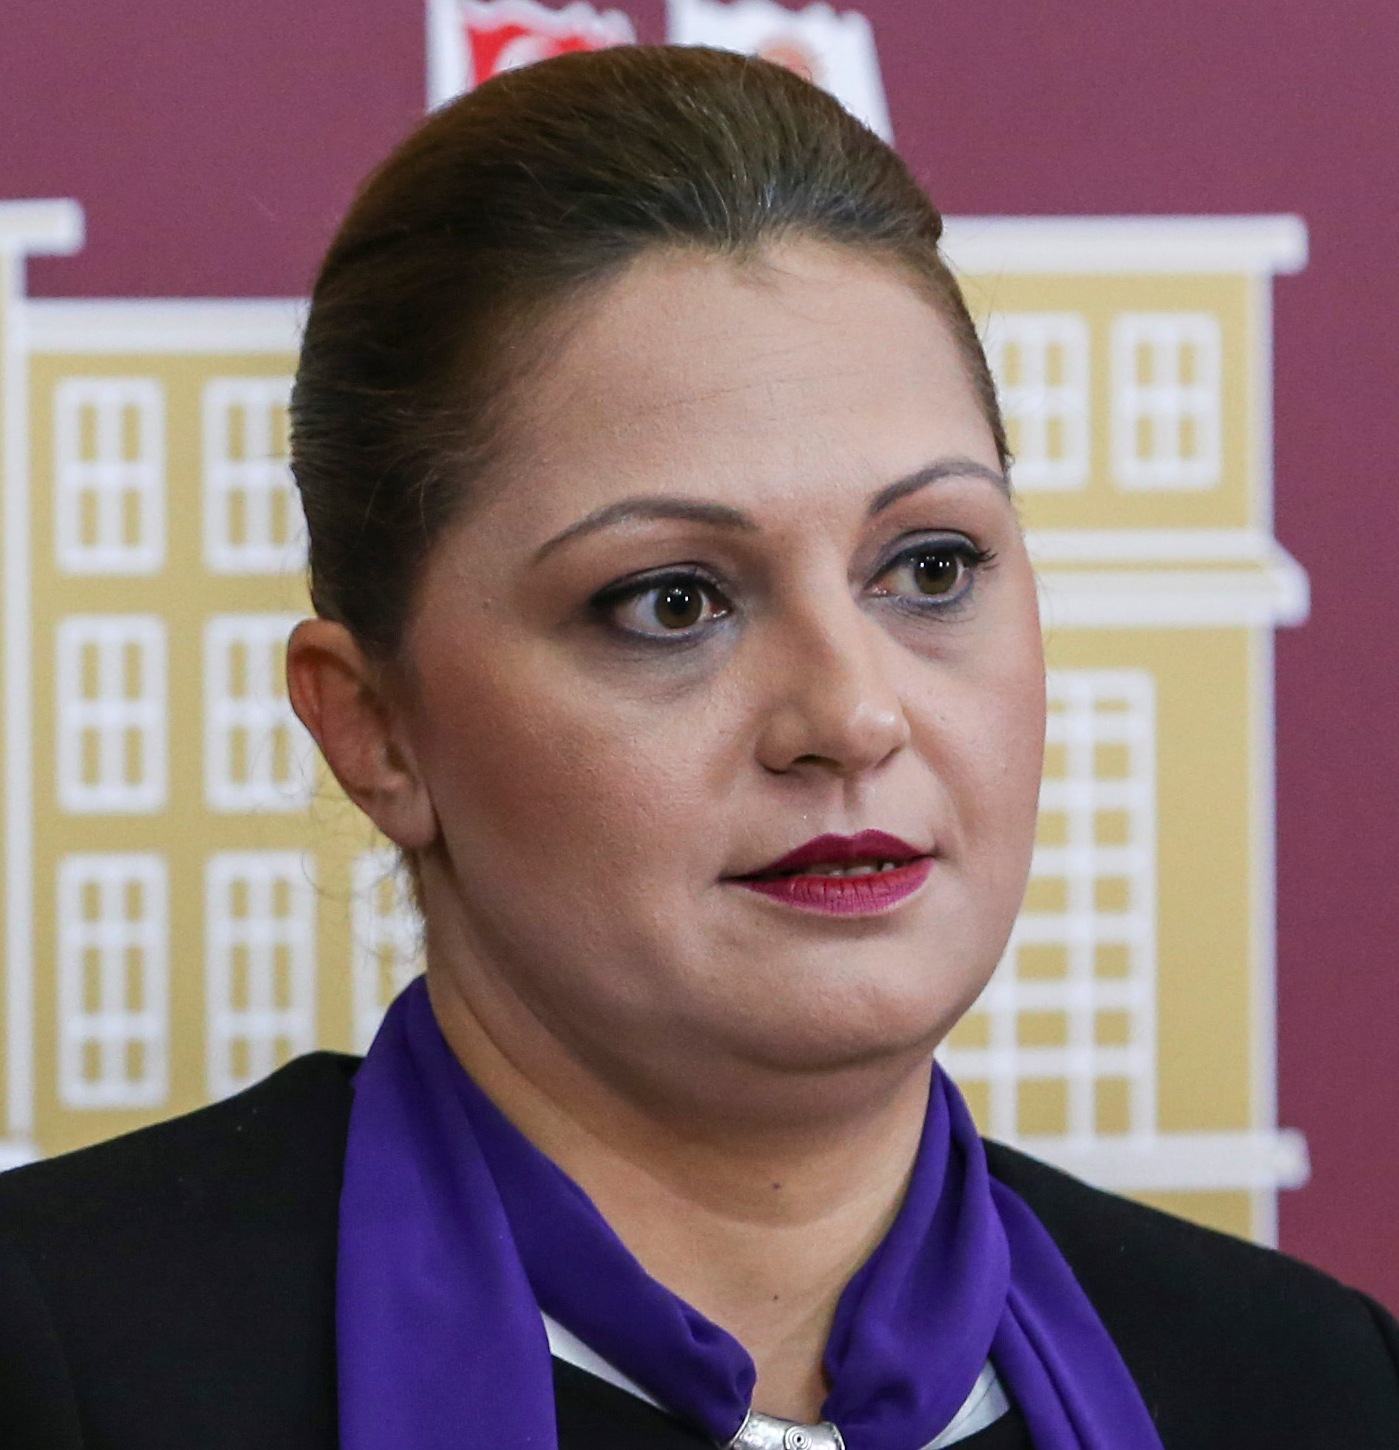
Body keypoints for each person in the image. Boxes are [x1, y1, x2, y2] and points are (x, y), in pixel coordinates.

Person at [0, 44, 1396, 1450]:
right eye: (672, 601)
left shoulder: (1309, 1389)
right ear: (376, 731)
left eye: (927, 567)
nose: (851, 715)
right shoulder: (63, 1363)